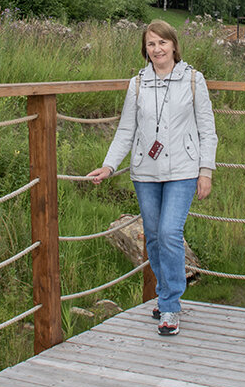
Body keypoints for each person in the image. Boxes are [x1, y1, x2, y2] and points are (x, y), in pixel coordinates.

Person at [88, 20, 218, 336]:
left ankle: (171, 306)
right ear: (145, 50)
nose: (157, 49)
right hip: (145, 172)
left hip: (183, 170)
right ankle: (165, 293)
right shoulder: (137, 84)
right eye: (150, 44)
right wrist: (108, 165)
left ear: (173, 45)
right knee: (155, 236)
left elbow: (207, 130)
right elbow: (125, 131)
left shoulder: (193, 80)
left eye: (162, 42)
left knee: (170, 232)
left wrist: (206, 171)